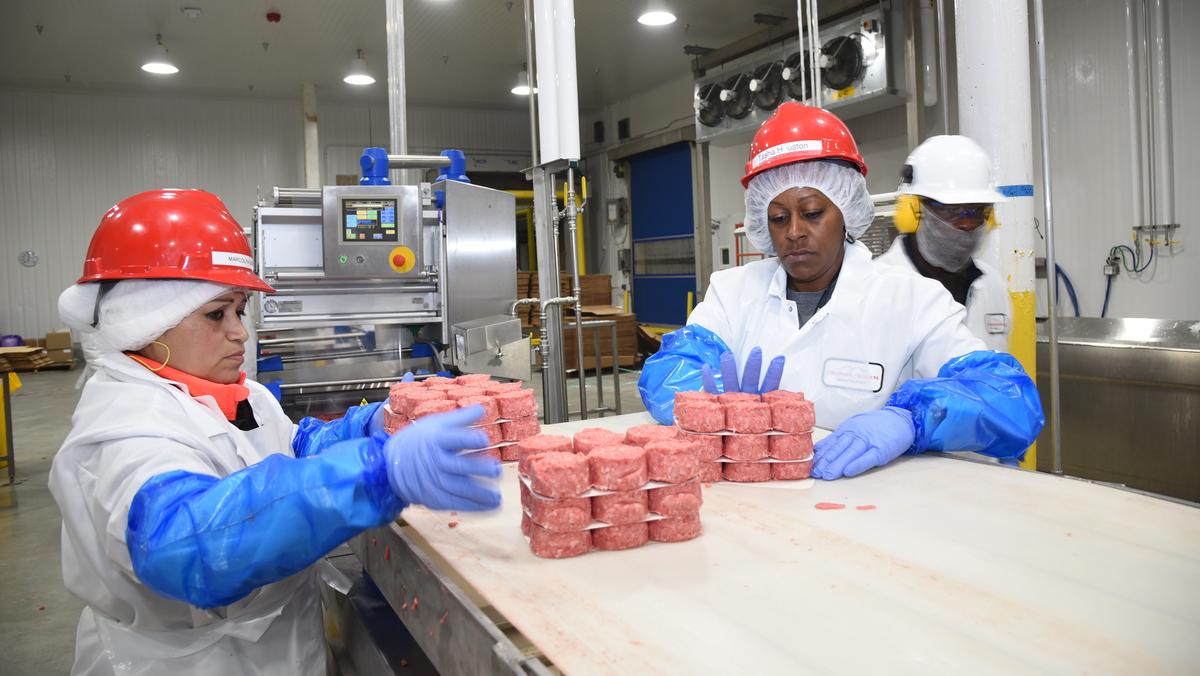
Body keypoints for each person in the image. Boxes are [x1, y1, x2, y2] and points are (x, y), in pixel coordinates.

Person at [48, 189, 500, 675]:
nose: (240, 332)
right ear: (144, 324)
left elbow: (292, 450)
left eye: (238, 311)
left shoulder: (238, 394)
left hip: (277, 648)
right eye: (216, 314)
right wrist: (374, 474)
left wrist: (372, 423)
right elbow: (186, 544)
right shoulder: (124, 421)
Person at [639, 103, 1043, 480]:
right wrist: (721, 406)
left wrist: (911, 419)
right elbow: (668, 371)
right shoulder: (733, 292)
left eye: (812, 213)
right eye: (778, 218)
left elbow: (1009, 402)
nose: (794, 232)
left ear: (846, 210)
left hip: (872, 516)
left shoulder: (912, 299)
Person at [875, 135, 1012, 351]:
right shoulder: (878, 289)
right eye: (951, 210)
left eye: (976, 210)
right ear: (914, 210)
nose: (967, 224)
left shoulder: (992, 286)